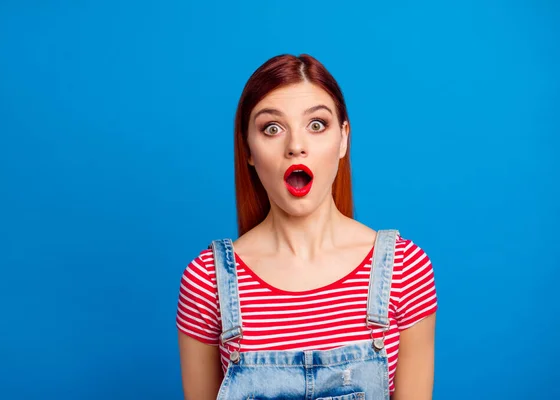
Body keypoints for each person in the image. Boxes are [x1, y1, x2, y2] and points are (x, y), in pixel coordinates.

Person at [176, 54, 438, 400]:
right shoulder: (207, 280)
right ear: (249, 150)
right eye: (272, 128)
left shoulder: (405, 269)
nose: (296, 146)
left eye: (316, 125)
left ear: (343, 139)